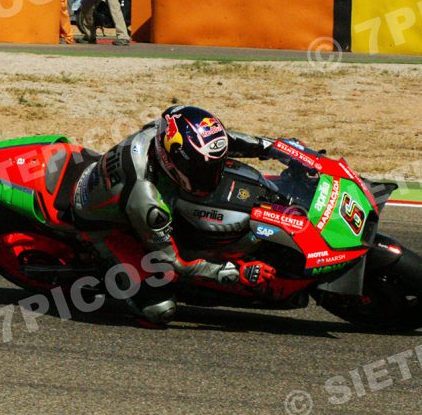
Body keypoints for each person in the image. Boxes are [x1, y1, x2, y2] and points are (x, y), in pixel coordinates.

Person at [72, 105, 278, 326]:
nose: (212, 177)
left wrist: (272, 147)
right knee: (160, 311)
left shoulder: (165, 132)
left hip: (115, 189)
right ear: (171, 162)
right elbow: (175, 261)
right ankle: (113, 274)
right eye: (201, 171)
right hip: (103, 226)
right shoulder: (146, 198)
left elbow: (226, 142)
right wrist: (235, 272)